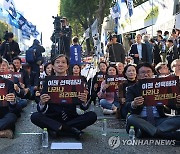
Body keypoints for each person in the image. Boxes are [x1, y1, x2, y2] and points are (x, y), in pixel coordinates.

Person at [31, 54, 97, 139]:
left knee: (92, 115)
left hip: (72, 118)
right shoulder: (47, 82)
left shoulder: (76, 81)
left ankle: (57, 130)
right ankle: (72, 130)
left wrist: (84, 101)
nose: (60, 64)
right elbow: (40, 109)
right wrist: (42, 102)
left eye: (63, 62)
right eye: (57, 62)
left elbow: (84, 108)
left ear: (67, 66)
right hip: (52, 118)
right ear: (53, 66)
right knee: (35, 116)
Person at [126, 63, 180, 140]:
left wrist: (177, 103)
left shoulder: (161, 87)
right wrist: (133, 104)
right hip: (141, 120)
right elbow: (126, 106)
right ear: (137, 75)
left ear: (152, 74)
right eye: (143, 72)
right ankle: (162, 134)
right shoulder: (132, 89)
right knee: (131, 118)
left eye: (148, 72)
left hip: (159, 120)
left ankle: (152, 132)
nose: (146, 75)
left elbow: (172, 106)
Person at [0, 57, 18, 139]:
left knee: (11, 117)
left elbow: (13, 109)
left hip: (2, 115)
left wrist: (12, 101)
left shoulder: (8, 83)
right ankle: (2, 133)